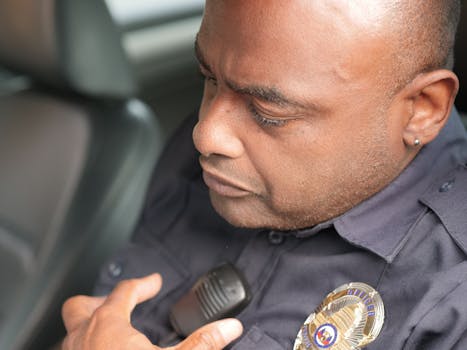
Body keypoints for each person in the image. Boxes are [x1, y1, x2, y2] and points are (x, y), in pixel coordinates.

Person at [61, 0, 467, 349]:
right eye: (209, 79)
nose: (206, 134)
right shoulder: (203, 160)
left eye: (268, 113)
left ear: (422, 109)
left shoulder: (451, 301)